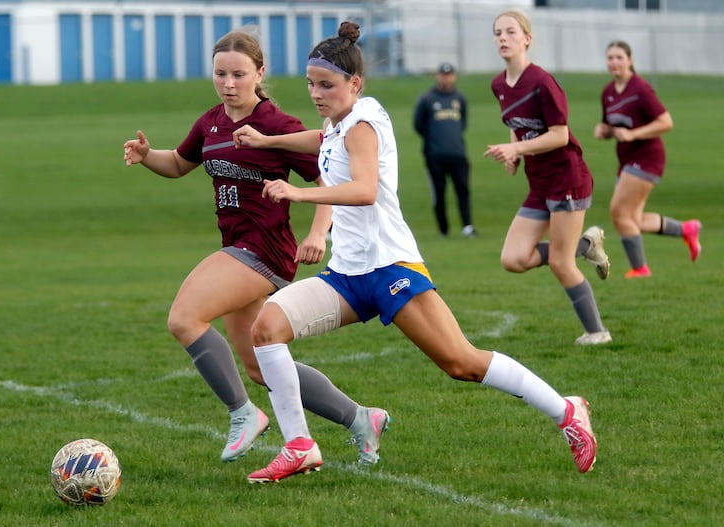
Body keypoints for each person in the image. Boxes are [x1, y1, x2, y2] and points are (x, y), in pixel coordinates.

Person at [232, 21, 598, 484]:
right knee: (267, 329)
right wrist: (268, 141)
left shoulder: (362, 124)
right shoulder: (339, 120)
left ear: (354, 83)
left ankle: (567, 410)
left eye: (326, 85)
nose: (316, 94)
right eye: (310, 84)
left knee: (460, 362)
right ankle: (300, 446)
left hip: (390, 269)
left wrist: (297, 194)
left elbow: (365, 190)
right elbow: (322, 140)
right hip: (347, 275)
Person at [122, 28, 389, 466]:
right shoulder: (210, 122)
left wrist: (319, 232)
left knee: (184, 317)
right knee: (259, 366)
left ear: (259, 73)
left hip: (264, 250)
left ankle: (243, 413)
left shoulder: (276, 126)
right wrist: (148, 154)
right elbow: (178, 163)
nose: (229, 83)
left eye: (238, 74)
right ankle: (360, 417)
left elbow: (330, 178)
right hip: (238, 249)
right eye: (220, 74)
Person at [483, 10, 612, 346]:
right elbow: (516, 127)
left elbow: (559, 135)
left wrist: (517, 151)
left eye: (510, 32)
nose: (503, 38)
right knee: (513, 259)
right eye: (497, 33)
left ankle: (598, 332)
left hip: (567, 179)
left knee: (559, 261)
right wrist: (513, 153)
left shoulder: (542, 82)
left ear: (527, 38)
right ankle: (588, 244)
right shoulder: (499, 84)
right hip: (539, 183)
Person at [593, 40, 702, 278]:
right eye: (610, 58)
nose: (614, 62)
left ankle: (640, 269)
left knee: (619, 213)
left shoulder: (640, 88)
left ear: (630, 60)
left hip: (647, 158)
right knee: (634, 220)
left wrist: (633, 134)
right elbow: (612, 124)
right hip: (626, 160)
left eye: (619, 57)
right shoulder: (608, 93)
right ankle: (686, 229)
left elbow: (666, 122)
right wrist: (604, 131)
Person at [413, 62, 476, 238]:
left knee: (463, 189)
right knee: (439, 192)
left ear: (454, 77)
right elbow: (418, 125)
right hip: (435, 155)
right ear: (437, 76)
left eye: (449, 75)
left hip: (458, 153)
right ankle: (443, 229)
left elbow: (463, 122)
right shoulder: (427, 99)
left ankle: (467, 226)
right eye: (442, 74)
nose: (446, 78)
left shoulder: (459, 98)